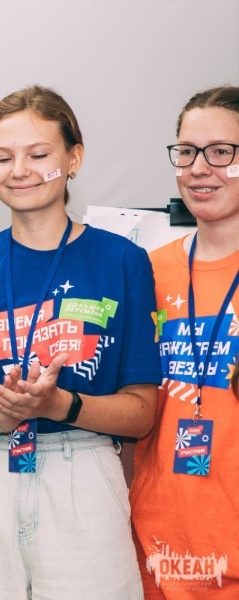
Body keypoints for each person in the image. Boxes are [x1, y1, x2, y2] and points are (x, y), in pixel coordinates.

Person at [0, 85, 161, 599]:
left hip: (83, 474)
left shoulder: (122, 261)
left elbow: (143, 412)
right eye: (2, 157)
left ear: (73, 159)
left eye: (38, 154)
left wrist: (61, 405)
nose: (19, 170)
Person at [130, 86, 239, 597]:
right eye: (187, 151)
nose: (199, 168)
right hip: (157, 549)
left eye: (221, 152)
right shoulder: (146, 272)